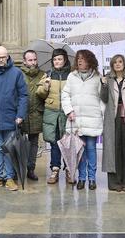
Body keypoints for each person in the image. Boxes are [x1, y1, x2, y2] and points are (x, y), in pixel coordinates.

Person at [0, 45, 28, 191]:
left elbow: (23, 95)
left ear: (8, 56)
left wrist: (20, 114)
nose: (1, 60)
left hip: (11, 117)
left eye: (3, 57)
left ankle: (9, 178)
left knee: (9, 149)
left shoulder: (16, 73)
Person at [61, 49, 105, 189]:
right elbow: (65, 95)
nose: (80, 61)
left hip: (92, 120)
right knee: (79, 150)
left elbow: (103, 100)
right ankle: (81, 178)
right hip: (76, 120)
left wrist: (100, 112)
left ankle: (92, 178)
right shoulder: (71, 76)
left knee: (91, 149)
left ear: (90, 61)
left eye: (83, 58)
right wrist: (69, 111)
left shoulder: (98, 77)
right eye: (78, 58)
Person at [101, 54, 125, 192]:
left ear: (124, 64)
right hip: (113, 118)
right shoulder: (108, 79)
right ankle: (115, 183)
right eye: (115, 62)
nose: (118, 64)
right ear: (111, 65)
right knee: (114, 149)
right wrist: (104, 84)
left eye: (120, 62)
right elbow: (104, 99)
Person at [39, 49, 72, 184]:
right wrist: (45, 87)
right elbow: (39, 93)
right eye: (55, 59)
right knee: (54, 142)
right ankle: (55, 169)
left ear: (64, 60)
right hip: (52, 113)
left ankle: (69, 169)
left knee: (68, 143)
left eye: (60, 59)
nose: (57, 62)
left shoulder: (71, 76)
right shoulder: (48, 74)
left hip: (66, 113)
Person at [21, 50, 47, 182]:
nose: (33, 62)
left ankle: (31, 169)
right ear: (24, 61)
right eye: (30, 60)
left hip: (36, 113)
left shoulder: (43, 75)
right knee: (19, 142)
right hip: (22, 113)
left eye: (34, 60)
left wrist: (45, 88)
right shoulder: (19, 74)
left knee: (34, 143)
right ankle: (18, 168)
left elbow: (45, 96)